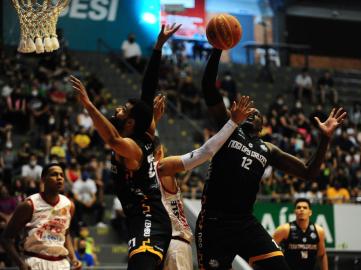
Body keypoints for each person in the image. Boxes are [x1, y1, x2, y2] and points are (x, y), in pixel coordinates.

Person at [196, 48, 346, 270]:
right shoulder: (227, 130)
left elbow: (308, 172)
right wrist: (218, 48)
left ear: (262, 126)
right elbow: (208, 86)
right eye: (249, 111)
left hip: (245, 222)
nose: (253, 113)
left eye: (257, 113)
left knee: (280, 266)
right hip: (214, 222)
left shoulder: (268, 149)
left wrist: (324, 139)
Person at [70, 23, 181, 270]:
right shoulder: (144, 132)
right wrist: (158, 48)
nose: (117, 110)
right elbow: (148, 90)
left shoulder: (133, 146)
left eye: (122, 110)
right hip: (138, 218)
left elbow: (112, 140)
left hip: (149, 217)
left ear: (130, 122)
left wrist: (88, 105)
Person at [151, 95, 254, 270]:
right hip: (160, 243)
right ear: (160, 151)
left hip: (173, 243)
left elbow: (203, 153)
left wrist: (153, 121)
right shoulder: (150, 168)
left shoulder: (158, 167)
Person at [0, 163, 81, 270]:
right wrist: (20, 263)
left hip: (62, 264)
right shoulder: (29, 204)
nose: (59, 178)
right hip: (36, 262)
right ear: (43, 180)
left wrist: (73, 257)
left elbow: (65, 233)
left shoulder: (69, 205)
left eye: (61, 175)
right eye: (54, 174)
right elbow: (6, 238)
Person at [273, 198, 328, 270]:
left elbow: (322, 255)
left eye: (305, 208)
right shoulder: (284, 229)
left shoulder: (319, 231)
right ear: (295, 212)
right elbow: (269, 250)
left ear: (310, 212)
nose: (301, 209)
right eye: (298, 207)